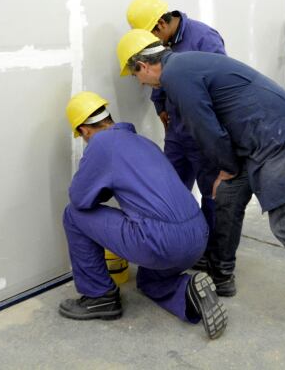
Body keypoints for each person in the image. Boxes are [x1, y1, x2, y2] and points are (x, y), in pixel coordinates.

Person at [116, 30, 285, 340]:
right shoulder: (184, 65)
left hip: (281, 140)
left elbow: (206, 129)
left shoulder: (175, 76)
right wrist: (228, 170)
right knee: (227, 196)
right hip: (257, 140)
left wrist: (225, 167)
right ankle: (221, 273)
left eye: (136, 76)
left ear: (144, 65)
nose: (141, 83)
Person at [60, 91, 227, 339]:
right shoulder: (143, 143)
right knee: (149, 282)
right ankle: (189, 292)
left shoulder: (101, 144)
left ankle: (99, 297)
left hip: (161, 241)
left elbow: (80, 198)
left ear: (85, 130)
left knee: (73, 215)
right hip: (196, 239)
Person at [125, 0, 230, 291]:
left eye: (153, 35)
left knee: (212, 194)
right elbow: (157, 76)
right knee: (171, 189)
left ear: (162, 23)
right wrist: (160, 106)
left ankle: (216, 255)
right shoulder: (162, 43)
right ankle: (176, 248)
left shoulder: (204, 38)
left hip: (201, 133)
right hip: (177, 135)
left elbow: (219, 86)